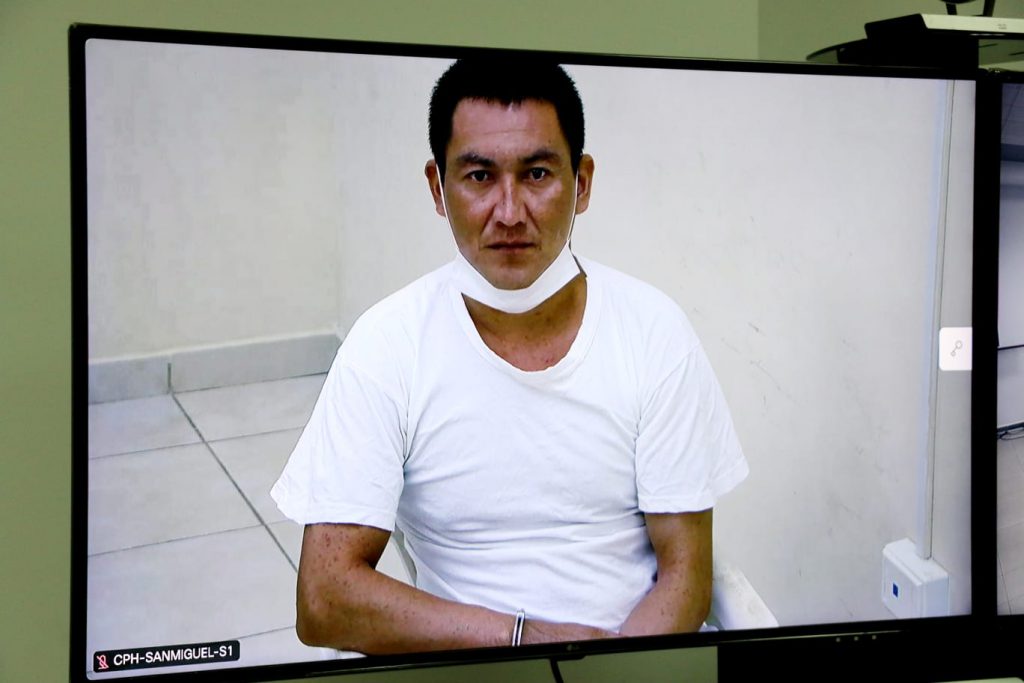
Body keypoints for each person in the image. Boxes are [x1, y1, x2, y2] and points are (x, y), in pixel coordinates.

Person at [270, 57, 748, 655]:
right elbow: (325, 600)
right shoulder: (387, 346)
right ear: (437, 188)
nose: (510, 212)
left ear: (582, 182)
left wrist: (610, 671)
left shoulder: (654, 331)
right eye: (479, 177)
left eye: (537, 174)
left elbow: (685, 576)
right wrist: (525, 642)